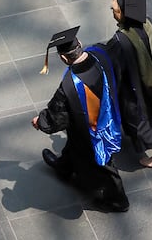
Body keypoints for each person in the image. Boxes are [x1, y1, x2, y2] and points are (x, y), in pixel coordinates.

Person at [32, 26, 129, 212]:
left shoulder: (70, 84)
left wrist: (41, 121)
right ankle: (64, 167)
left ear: (63, 57)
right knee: (75, 144)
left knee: (103, 161)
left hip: (92, 128)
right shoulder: (100, 56)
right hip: (109, 114)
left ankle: (118, 200)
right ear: (81, 45)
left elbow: (57, 114)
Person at [110, 0, 152, 168]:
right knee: (147, 113)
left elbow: (115, 67)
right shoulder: (148, 25)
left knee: (141, 120)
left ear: (123, 14)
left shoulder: (121, 40)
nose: (112, 12)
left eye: (114, 9)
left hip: (134, 89)